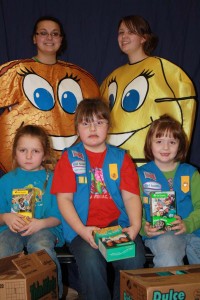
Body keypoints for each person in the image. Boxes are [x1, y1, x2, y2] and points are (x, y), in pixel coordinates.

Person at [51, 98, 145, 300]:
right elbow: (64, 200)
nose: (93, 128)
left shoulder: (122, 158)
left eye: (99, 122)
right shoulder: (69, 158)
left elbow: (131, 197)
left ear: (108, 127)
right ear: (77, 128)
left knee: (134, 257)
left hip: (117, 226)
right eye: (86, 123)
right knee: (90, 261)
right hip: (83, 228)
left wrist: (135, 227)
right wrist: (82, 231)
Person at [0, 15, 100, 174]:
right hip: (29, 166)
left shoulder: (78, 76)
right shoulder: (16, 72)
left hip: (69, 166)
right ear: (34, 38)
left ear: (61, 39)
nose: (49, 37)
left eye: (55, 33)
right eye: (43, 33)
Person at [100, 15, 196, 165]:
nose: (124, 36)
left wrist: (173, 159)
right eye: (121, 32)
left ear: (144, 38)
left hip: (151, 165)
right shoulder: (112, 78)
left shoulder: (164, 70)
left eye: (130, 32)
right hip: (115, 164)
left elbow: (183, 110)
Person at [0, 124, 65, 299]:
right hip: (11, 231)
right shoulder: (5, 181)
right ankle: (7, 294)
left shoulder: (52, 179)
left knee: (41, 247)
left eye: (35, 151)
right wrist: (6, 217)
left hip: (44, 229)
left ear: (44, 154)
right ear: (14, 152)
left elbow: (58, 217)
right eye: (23, 150)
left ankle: (53, 294)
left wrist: (41, 223)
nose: (28, 156)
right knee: (2, 249)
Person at [137, 114, 200, 267]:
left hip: (195, 230)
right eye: (159, 141)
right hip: (162, 234)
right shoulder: (140, 175)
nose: (165, 147)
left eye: (172, 142)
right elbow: (134, 210)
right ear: (149, 144)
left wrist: (188, 224)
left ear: (180, 145)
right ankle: (170, 290)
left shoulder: (191, 173)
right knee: (168, 257)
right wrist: (144, 227)